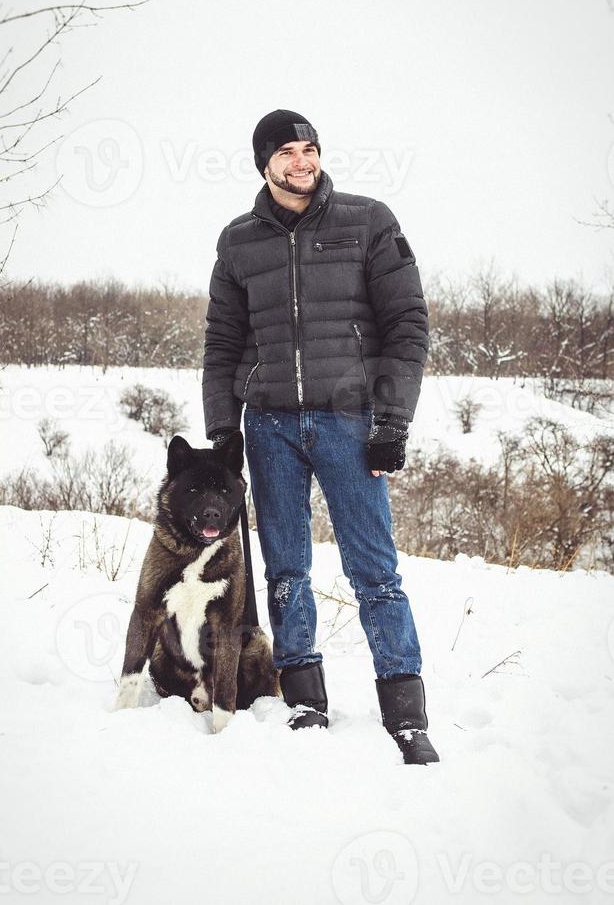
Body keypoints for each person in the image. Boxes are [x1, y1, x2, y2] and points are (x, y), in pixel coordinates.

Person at [202, 109, 439, 764]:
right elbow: (222, 344)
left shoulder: (368, 221)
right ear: (264, 163)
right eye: (287, 151)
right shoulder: (239, 241)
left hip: (349, 421)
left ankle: (406, 715)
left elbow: (408, 325)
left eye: (310, 149)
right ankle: (306, 698)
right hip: (269, 425)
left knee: (375, 572)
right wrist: (223, 433)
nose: (302, 161)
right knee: (286, 570)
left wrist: (391, 422)